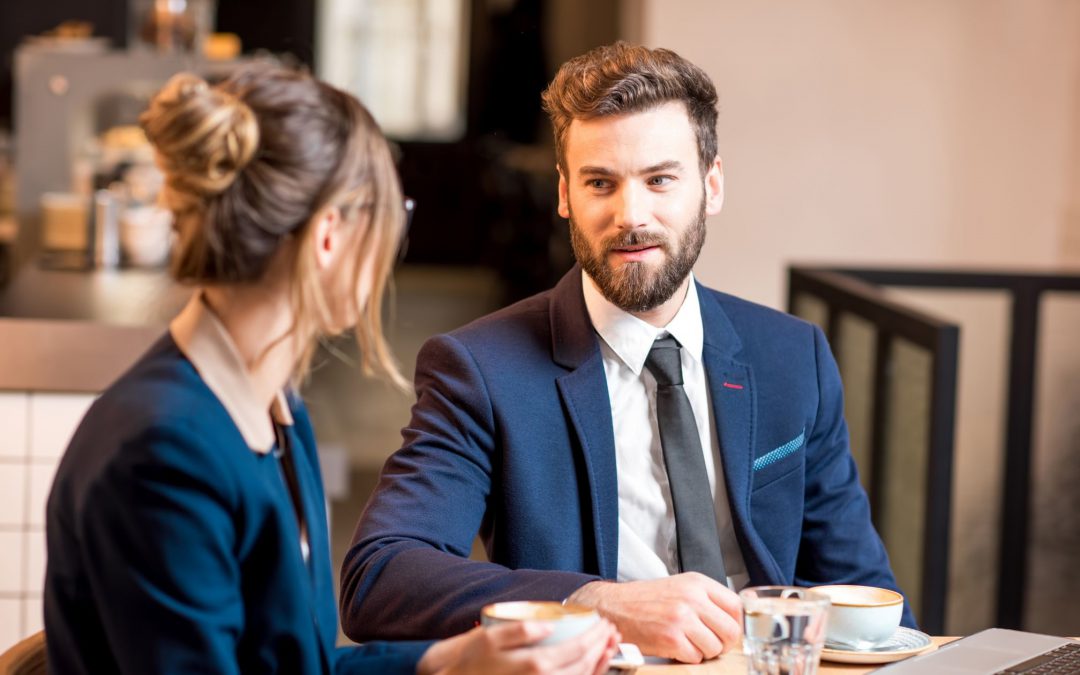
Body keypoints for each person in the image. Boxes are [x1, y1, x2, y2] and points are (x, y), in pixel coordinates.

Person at [340, 42, 914, 664]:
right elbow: (381, 576)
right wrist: (596, 601)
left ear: (711, 184)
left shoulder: (791, 356)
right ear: (565, 194)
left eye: (660, 179)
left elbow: (867, 593)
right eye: (600, 183)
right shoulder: (480, 369)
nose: (630, 215)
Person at [43, 63, 618, 675]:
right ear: (328, 235)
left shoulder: (272, 408)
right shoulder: (164, 453)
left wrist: (451, 660)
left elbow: (296, 663)